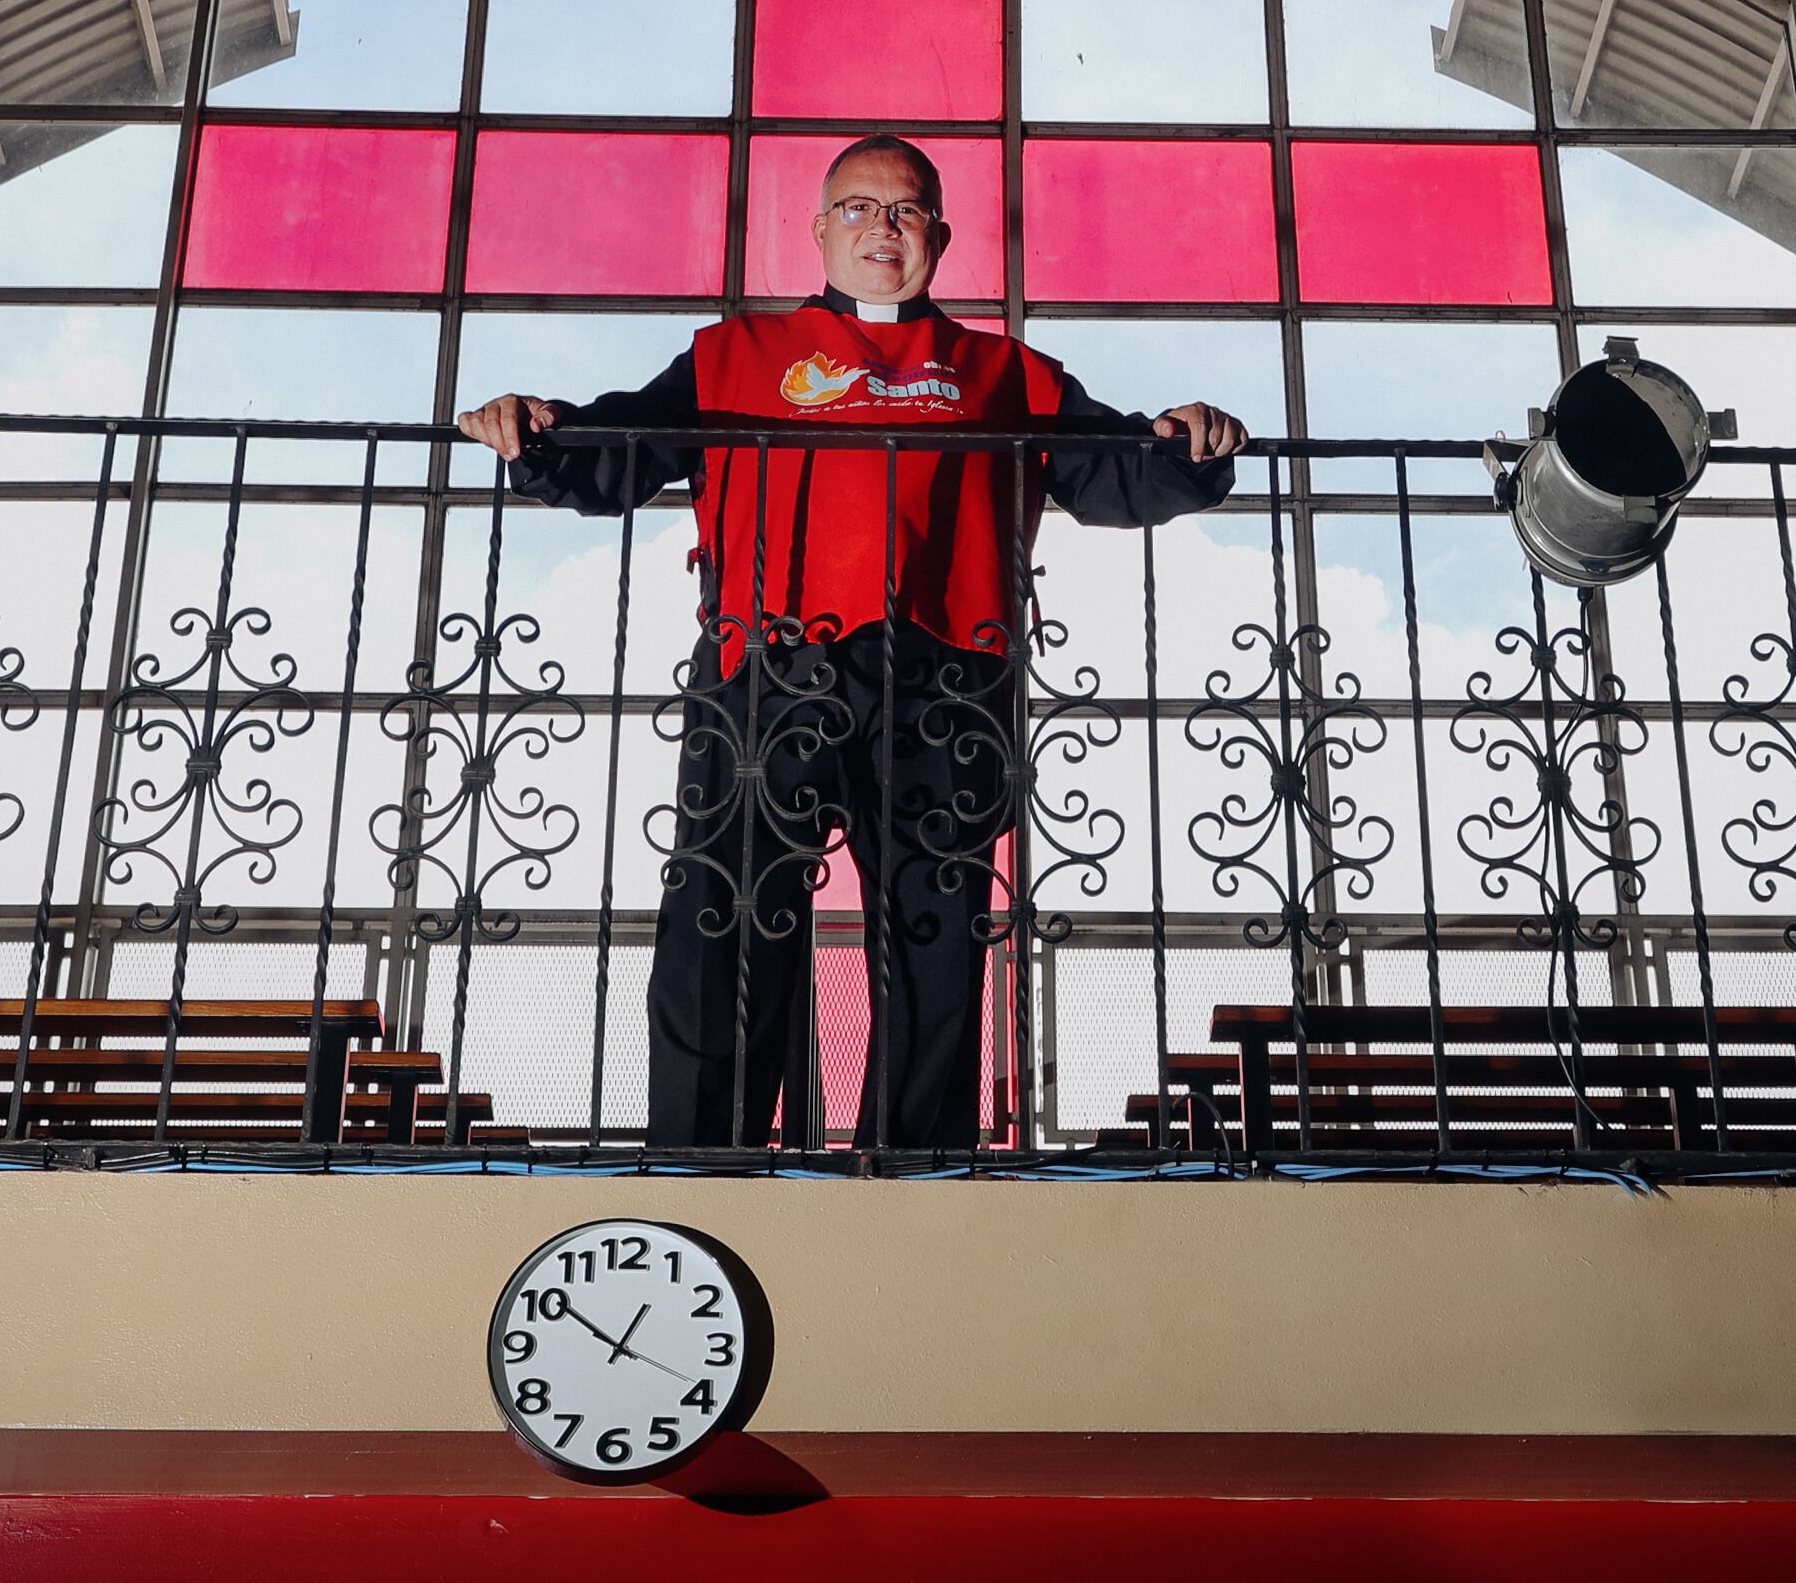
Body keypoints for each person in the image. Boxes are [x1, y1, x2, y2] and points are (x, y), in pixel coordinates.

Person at [458, 134, 1248, 1151]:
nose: (884, 227)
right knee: (723, 918)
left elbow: (1115, 472)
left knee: (934, 934)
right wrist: (538, 432)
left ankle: (914, 1174)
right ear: (821, 230)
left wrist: (1186, 448)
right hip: (766, 669)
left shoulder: (1009, 371)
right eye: (861, 208)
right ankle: (700, 1162)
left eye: (907, 210)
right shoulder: (733, 354)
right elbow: (624, 447)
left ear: (940, 238)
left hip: (947, 678)